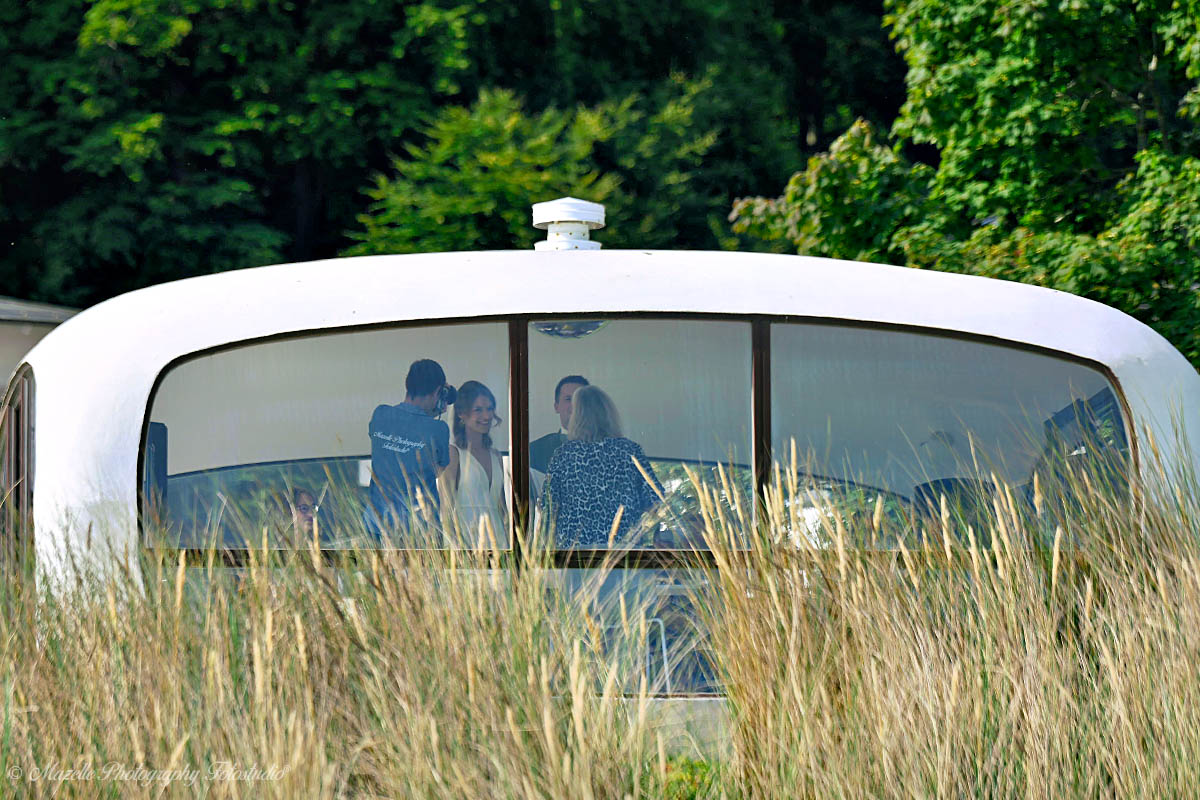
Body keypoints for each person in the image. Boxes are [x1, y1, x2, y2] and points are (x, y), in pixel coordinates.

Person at [542, 385, 664, 549]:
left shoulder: (563, 455)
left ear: (577, 416)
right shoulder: (629, 451)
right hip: (623, 553)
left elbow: (547, 507)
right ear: (609, 414)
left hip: (575, 556)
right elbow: (656, 501)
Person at [366, 358, 454, 539]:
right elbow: (438, 471)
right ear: (439, 391)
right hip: (420, 529)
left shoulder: (380, 414)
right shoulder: (438, 429)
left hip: (376, 524)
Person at [441, 380, 508, 546]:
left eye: (490, 409)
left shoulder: (496, 456)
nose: (486, 416)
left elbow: (502, 510)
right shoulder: (453, 453)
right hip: (465, 542)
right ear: (462, 414)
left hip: (498, 543)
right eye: (478, 410)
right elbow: (445, 509)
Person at [530, 375, 588, 498]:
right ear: (556, 406)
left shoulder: (609, 450)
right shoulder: (535, 450)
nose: (575, 405)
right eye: (568, 399)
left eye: (581, 399)